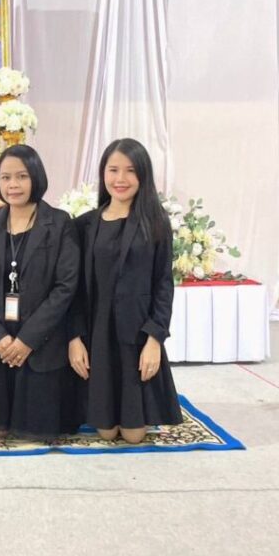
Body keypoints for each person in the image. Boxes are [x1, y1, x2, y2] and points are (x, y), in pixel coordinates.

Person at [68, 137, 183, 444]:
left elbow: (163, 284)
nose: (121, 179)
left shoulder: (155, 223)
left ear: (143, 175)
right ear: (103, 174)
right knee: (107, 433)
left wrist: (155, 339)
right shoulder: (85, 225)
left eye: (130, 170)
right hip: (97, 335)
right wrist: (74, 338)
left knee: (133, 435)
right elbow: (74, 289)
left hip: (136, 334)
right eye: (113, 170)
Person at [0, 144, 80, 440]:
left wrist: (28, 339)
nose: (12, 185)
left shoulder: (59, 223)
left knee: (37, 431)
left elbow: (65, 287)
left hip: (42, 341)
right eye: (5, 177)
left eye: (21, 176)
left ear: (36, 177)